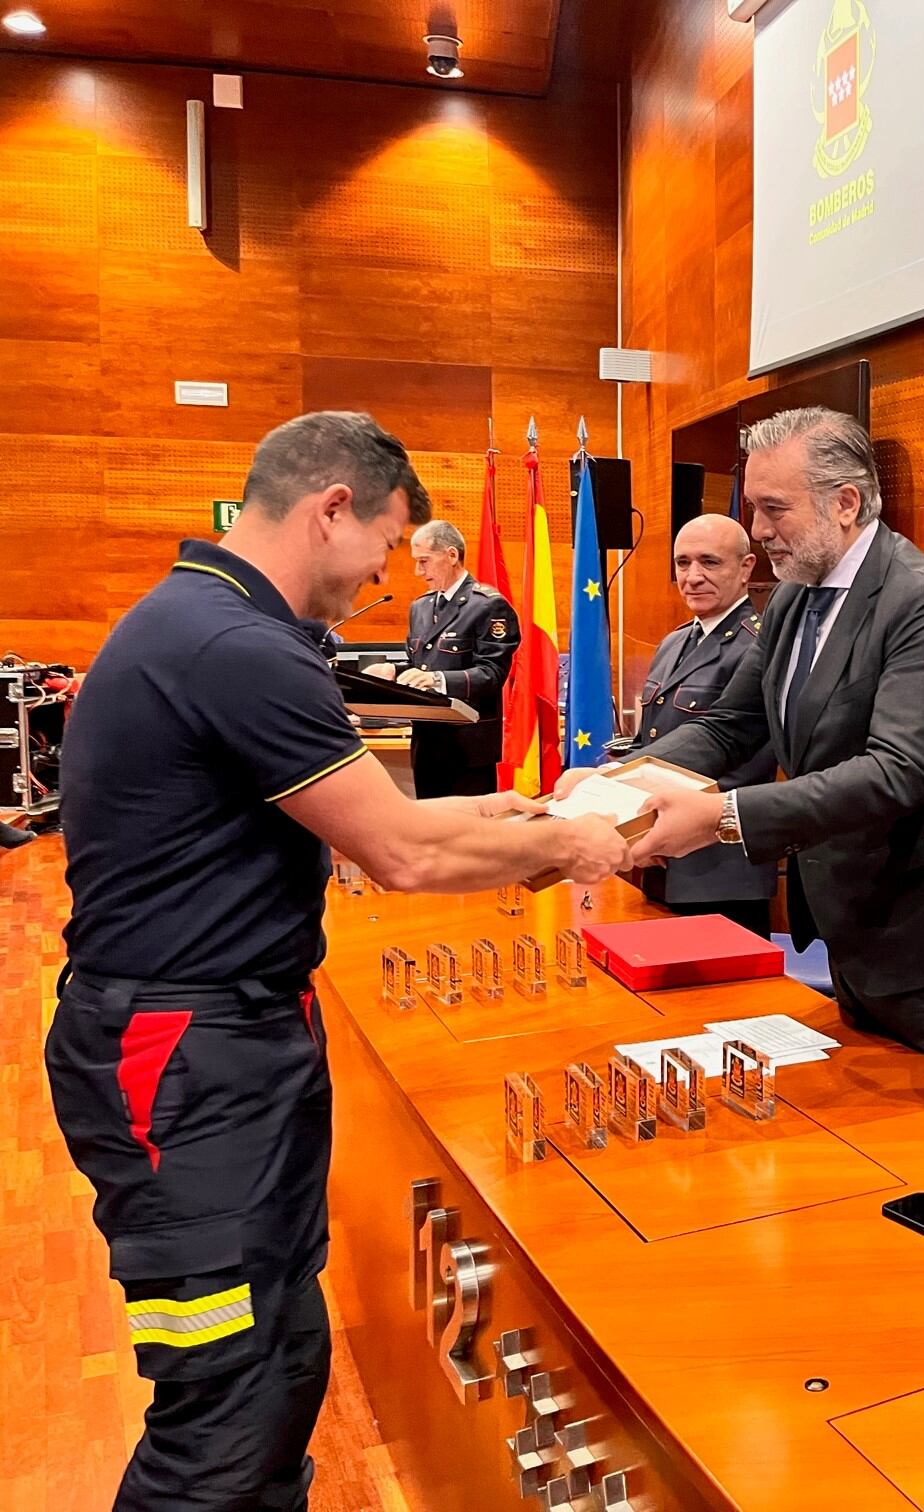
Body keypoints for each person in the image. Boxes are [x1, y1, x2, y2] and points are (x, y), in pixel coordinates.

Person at [48, 411, 628, 1512]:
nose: (378, 583)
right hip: (183, 1061)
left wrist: (506, 808)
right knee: (220, 1407)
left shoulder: (204, 622)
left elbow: (358, 810)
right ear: (331, 510)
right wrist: (570, 843)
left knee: (276, 1364)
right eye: (382, 547)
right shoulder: (238, 648)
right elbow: (399, 849)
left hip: (219, 1044)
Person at [590, 406, 924, 1084]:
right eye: (754, 509)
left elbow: (895, 773)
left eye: (774, 509)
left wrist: (726, 818)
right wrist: (615, 784)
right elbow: (731, 726)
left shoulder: (923, 601)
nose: (758, 532)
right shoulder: (793, 598)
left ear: (845, 503)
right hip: (847, 917)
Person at [634, 514, 775, 936]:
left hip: (722, 867)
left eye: (709, 563)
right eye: (682, 563)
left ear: (747, 567)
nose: (692, 577)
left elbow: (742, 756)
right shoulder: (673, 642)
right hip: (660, 857)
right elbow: (651, 738)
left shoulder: (760, 646)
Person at [363, 519, 520, 797]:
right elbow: (420, 666)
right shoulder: (420, 607)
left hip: (467, 748)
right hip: (427, 743)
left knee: (468, 835)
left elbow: (492, 674)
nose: (418, 571)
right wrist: (393, 672)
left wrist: (437, 679)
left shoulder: (487, 605)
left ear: (451, 555)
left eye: (424, 561)